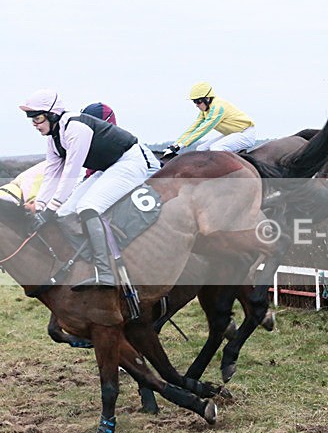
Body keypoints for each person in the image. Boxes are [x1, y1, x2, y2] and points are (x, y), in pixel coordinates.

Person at [20, 89, 160, 291]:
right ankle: (91, 263)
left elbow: (70, 173)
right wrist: (41, 207)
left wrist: (49, 209)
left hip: (130, 162)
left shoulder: (75, 128)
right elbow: (52, 176)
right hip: (108, 168)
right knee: (63, 213)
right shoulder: (53, 139)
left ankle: (105, 272)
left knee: (88, 206)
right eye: (31, 119)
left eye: (38, 118)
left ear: (52, 114)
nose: (34, 124)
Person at [164, 82, 257, 157]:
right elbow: (194, 127)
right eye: (194, 102)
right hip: (233, 134)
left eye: (198, 101)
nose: (196, 105)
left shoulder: (218, 107)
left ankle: (228, 173)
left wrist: (181, 145)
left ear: (207, 98)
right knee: (200, 149)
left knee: (216, 148)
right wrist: (175, 144)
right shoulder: (206, 109)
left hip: (246, 134)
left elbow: (204, 129)